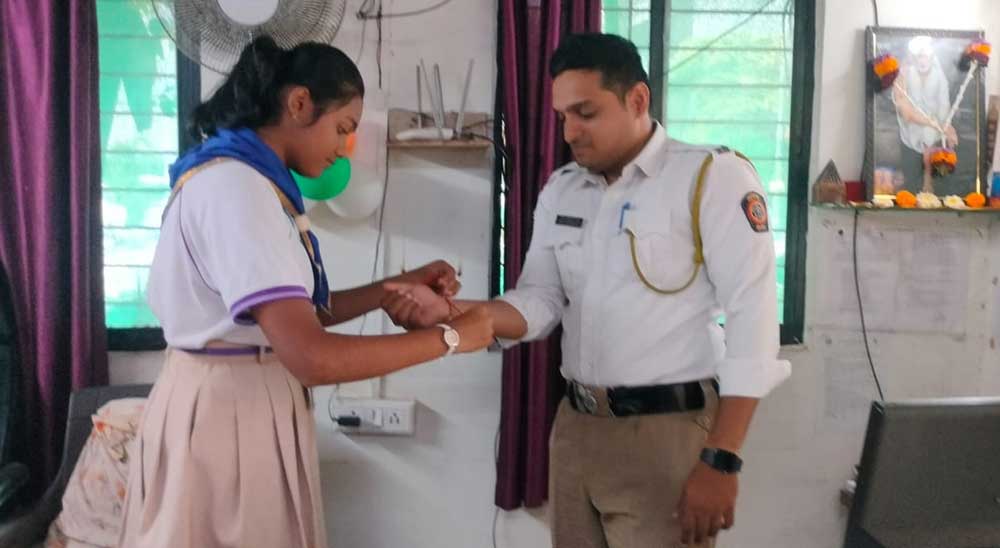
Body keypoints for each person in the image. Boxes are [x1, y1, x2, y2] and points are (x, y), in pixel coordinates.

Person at [380, 33, 790, 548]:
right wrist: (456, 312)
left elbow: (753, 322)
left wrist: (723, 458)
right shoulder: (564, 188)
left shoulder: (711, 177)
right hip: (575, 429)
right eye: (562, 117)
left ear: (637, 100)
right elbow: (540, 299)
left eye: (586, 113)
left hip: (668, 431)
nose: (570, 131)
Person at [117, 36, 494, 548]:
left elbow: (293, 316)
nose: (344, 149)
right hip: (227, 412)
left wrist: (389, 290)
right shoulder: (237, 189)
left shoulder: (252, 182)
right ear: (299, 104)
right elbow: (310, 355)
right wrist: (452, 338)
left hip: (237, 396)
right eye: (342, 128)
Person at [892, 35, 958, 193]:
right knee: (927, 130)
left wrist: (946, 126)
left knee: (933, 135)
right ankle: (926, 183)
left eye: (926, 56)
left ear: (931, 57)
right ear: (914, 58)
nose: (923, 60)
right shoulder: (904, 76)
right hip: (911, 127)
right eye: (919, 56)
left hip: (935, 127)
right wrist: (935, 124)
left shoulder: (939, 77)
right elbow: (907, 113)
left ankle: (929, 182)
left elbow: (944, 105)